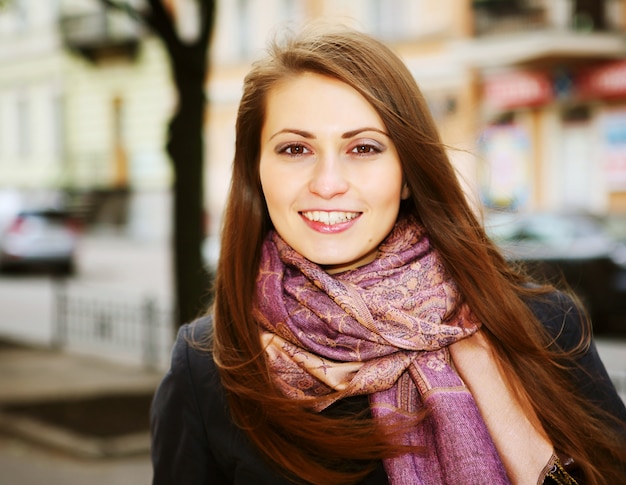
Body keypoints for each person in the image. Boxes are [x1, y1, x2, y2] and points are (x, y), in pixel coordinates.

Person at [150, 24, 626, 485]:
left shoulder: (541, 326)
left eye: (363, 148)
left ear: (405, 175)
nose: (328, 183)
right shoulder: (210, 367)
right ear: (256, 173)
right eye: (295, 149)